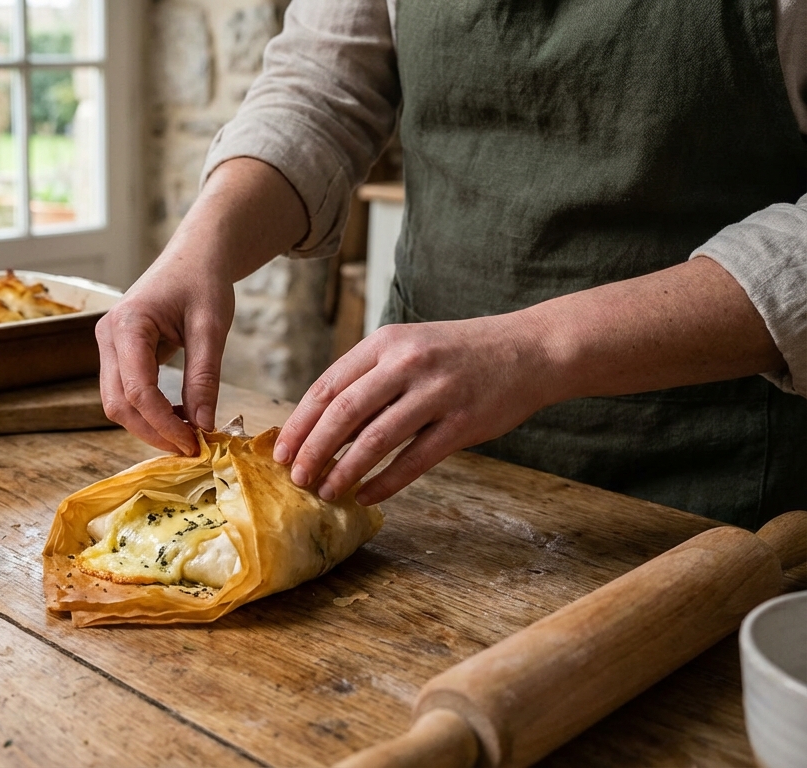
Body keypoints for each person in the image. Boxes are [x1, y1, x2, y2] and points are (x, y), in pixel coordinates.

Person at [97, 0, 807, 530]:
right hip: (418, 467)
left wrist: (534, 349)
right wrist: (202, 246)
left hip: (716, 485)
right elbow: (319, 89)